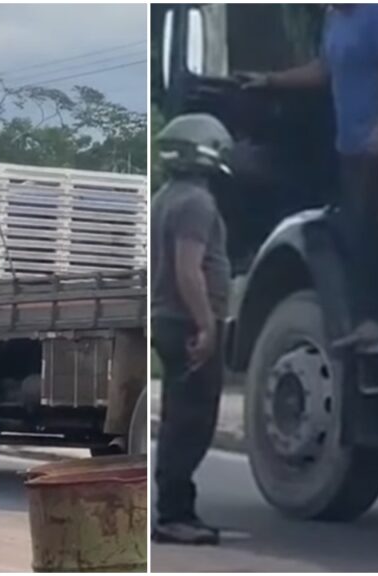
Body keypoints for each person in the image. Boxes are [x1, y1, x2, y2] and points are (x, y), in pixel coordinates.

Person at [242, 4, 378, 346]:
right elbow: (324, 69)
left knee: (373, 228)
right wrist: (271, 80)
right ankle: (360, 318)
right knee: (352, 231)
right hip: (348, 145)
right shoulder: (336, 19)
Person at [150, 114, 233, 546]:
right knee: (191, 422)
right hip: (186, 321)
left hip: (166, 318)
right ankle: (174, 515)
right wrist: (206, 322)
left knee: (178, 418)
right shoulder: (197, 203)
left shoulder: (165, 196)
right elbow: (188, 269)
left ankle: (178, 508)